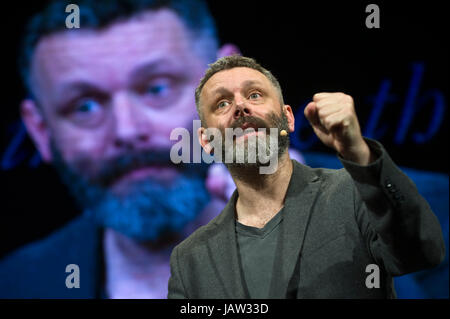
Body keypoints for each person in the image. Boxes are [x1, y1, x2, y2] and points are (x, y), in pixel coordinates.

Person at [0, 0, 240, 298]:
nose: (126, 131)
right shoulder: (19, 285)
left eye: (157, 89)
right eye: (84, 106)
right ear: (40, 130)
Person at [167, 55, 445, 298]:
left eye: (254, 95)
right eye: (222, 103)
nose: (241, 107)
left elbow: (421, 251)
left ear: (288, 118)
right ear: (206, 141)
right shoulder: (190, 259)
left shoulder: (355, 195)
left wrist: (358, 152)